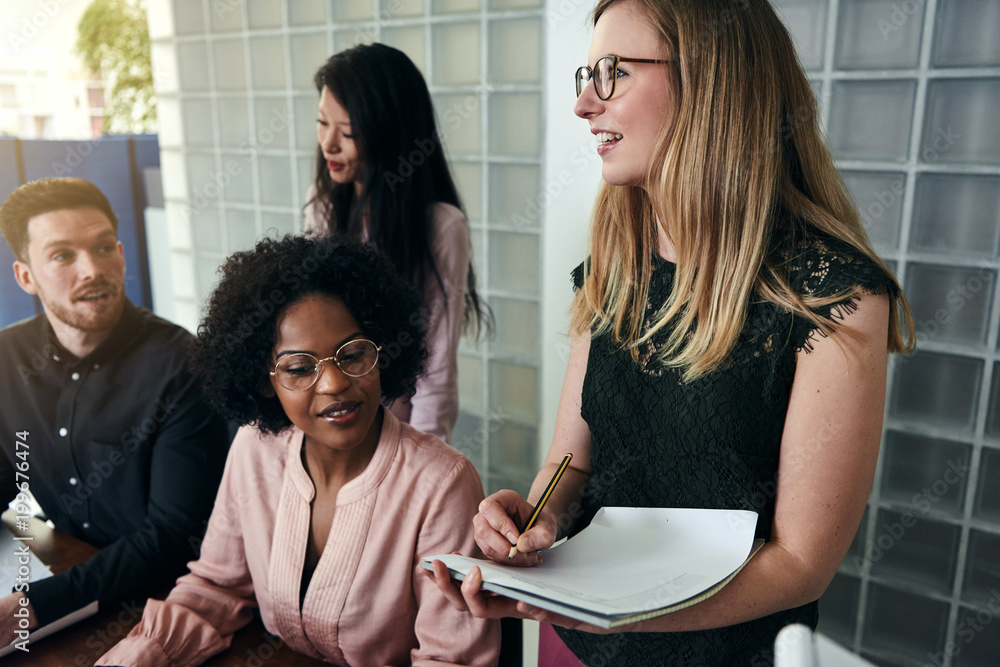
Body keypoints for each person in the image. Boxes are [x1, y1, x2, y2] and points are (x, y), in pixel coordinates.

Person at [427, 0, 917, 664]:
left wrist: (612, 610)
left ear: (711, 82)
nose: (584, 105)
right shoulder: (612, 265)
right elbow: (572, 464)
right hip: (573, 642)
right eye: (585, 75)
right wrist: (537, 519)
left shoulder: (835, 294)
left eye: (613, 72)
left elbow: (802, 562)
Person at [96, 236, 500, 666]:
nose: (333, 384)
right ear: (263, 380)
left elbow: (451, 659)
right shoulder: (255, 447)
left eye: (353, 354)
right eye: (299, 368)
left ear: (382, 352)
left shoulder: (443, 484)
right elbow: (216, 587)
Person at [0, 177, 229, 641]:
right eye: (63, 255)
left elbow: (172, 538)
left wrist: (29, 607)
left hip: (166, 604)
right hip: (65, 569)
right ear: (26, 276)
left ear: (122, 254)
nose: (92, 269)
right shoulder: (7, 358)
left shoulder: (181, 364)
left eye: (104, 248)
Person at [304, 42, 490, 444]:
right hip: (330, 422)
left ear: (389, 134)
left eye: (348, 132)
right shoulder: (322, 210)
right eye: (322, 123)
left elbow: (436, 369)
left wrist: (424, 463)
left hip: (396, 433)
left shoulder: (441, 228)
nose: (329, 143)